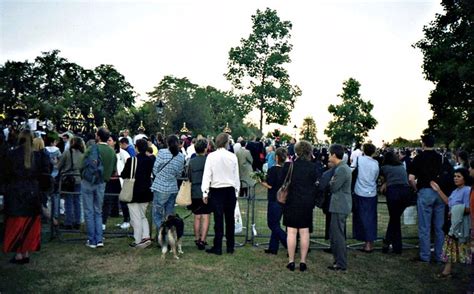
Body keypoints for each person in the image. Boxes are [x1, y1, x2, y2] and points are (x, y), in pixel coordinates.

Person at [3, 129, 49, 264]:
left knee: (17, 224)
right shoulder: (38, 156)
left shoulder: (12, 154)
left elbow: (6, 174)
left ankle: (18, 254)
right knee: (30, 224)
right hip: (32, 192)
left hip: (17, 192)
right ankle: (26, 252)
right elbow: (43, 175)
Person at [282, 140, 318, 272]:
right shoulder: (313, 167)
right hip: (307, 202)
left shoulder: (289, 166)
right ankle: (303, 262)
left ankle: (291, 261)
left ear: (296, 151)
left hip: (292, 201)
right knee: (304, 232)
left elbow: (283, 181)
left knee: (291, 232)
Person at [408, 134, 445, 263]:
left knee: (425, 226)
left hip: (425, 191)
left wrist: (416, 189)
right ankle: (440, 256)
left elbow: (411, 178)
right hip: (439, 192)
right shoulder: (441, 158)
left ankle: (425, 255)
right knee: (439, 227)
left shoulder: (418, 158)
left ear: (423, 143)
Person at [202, 133, 240, 255]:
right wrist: (237, 191)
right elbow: (236, 176)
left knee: (218, 220)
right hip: (229, 190)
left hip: (217, 190)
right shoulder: (232, 156)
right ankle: (230, 246)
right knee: (230, 220)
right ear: (226, 143)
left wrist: (205, 192)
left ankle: (217, 247)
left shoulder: (211, 157)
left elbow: (207, 175)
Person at [430, 168, 471, 277]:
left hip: (461, 224)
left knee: (463, 246)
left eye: (458, 176)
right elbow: (449, 202)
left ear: (464, 178)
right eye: (455, 176)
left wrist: (455, 210)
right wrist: (438, 190)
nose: (455, 178)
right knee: (450, 245)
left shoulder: (467, 190)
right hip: (453, 224)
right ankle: (447, 271)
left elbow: (469, 208)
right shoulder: (455, 191)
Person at [80, 127, 117, 248]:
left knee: (88, 211)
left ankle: (92, 240)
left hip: (88, 182)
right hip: (102, 183)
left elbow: (81, 164)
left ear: (98, 136)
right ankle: (99, 239)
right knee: (98, 211)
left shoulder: (92, 149)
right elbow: (113, 170)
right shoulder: (112, 152)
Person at [121, 139, 155, 249]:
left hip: (133, 191)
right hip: (146, 191)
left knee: (135, 217)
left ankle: (138, 239)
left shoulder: (132, 160)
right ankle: (146, 236)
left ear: (136, 147)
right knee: (142, 216)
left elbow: (124, 174)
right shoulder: (150, 160)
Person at [151, 135, 185, 233]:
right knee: (169, 215)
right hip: (172, 187)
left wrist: (159, 176)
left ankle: (162, 233)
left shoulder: (162, 152)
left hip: (160, 186)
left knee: (157, 214)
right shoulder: (181, 156)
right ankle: (169, 234)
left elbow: (155, 168)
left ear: (167, 143)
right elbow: (179, 173)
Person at [379, 151, 411, 254]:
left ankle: (387, 242)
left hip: (394, 192)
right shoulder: (401, 166)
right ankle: (396, 246)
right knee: (395, 219)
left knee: (394, 218)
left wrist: (384, 183)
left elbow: (383, 179)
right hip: (406, 192)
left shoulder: (384, 168)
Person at [327, 144, 352, 271]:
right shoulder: (342, 168)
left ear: (334, 155)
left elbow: (333, 186)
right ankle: (338, 261)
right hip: (339, 205)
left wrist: (331, 181)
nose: (328, 156)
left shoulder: (342, 169)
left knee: (338, 236)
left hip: (340, 205)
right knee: (336, 234)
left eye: (329, 153)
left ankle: (340, 263)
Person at [352, 143, 379, 253]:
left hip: (359, 191)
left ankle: (366, 243)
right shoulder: (375, 163)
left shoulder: (358, 159)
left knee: (361, 218)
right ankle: (369, 243)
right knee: (371, 218)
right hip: (371, 192)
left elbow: (352, 170)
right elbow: (376, 176)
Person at [261, 147, 288, 255]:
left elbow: (270, 185)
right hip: (283, 199)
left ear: (276, 158)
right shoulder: (286, 170)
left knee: (272, 224)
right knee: (276, 223)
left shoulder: (272, 170)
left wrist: (261, 182)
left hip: (274, 198)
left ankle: (288, 242)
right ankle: (273, 247)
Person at [187, 138, 212, 250]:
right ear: (205, 149)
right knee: (206, 216)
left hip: (194, 191)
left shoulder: (191, 162)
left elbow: (189, 177)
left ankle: (197, 238)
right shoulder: (208, 160)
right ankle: (203, 240)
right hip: (206, 191)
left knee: (197, 217)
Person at [103, 134, 130, 230]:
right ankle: (103, 222)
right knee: (107, 201)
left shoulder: (122, 153)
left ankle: (126, 220)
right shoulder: (106, 152)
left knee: (123, 201)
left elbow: (128, 164)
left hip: (120, 180)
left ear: (114, 142)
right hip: (110, 180)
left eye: (110, 140)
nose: (108, 142)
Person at [58, 136, 84, 230]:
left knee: (68, 200)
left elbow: (59, 164)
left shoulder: (67, 153)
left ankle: (68, 221)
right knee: (77, 200)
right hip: (78, 178)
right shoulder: (82, 154)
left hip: (67, 178)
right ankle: (77, 221)